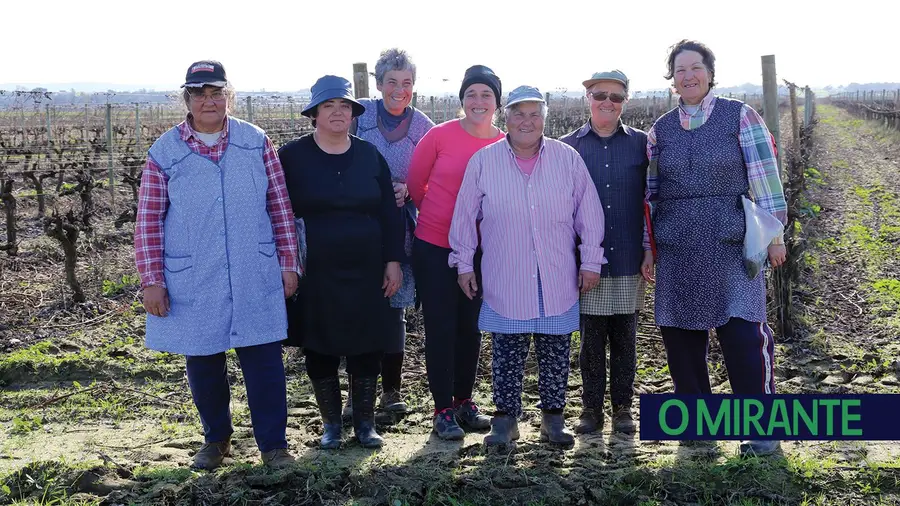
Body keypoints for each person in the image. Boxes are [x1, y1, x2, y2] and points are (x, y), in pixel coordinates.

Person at [135, 60, 298, 470]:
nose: (208, 100)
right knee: (203, 358)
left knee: (262, 357)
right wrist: (152, 279)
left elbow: (280, 208)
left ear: (229, 96)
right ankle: (216, 439)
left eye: (216, 92)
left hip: (253, 268)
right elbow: (148, 221)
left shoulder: (255, 141)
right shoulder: (164, 152)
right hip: (194, 273)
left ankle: (273, 445)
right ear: (186, 99)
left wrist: (288, 263)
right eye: (198, 93)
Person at [646, 40, 788, 456]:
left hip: (731, 241)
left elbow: (764, 178)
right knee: (680, 336)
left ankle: (761, 430)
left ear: (710, 71)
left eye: (696, 67)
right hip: (678, 245)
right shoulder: (661, 130)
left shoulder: (740, 116)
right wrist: (649, 245)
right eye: (680, 70)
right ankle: (696, 425)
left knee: (742, 333)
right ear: (671, 79)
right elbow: (650, 193)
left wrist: (774, 236)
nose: (688, 75)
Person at [449, 86, 606, 446]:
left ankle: (553, 419)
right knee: (506, 351)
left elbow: (589, 214)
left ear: (544, 120)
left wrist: (591, 260)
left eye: (535, 114)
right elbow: (464, 216)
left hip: (557, 274)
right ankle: (505, 420)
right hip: (507, 276)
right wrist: (463, 263)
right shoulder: (484, 161)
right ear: (506, 117)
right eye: (519, 114)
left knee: (555, 351)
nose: (527, 121)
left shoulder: (567, 159)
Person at [278, 75, 404, 450]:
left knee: (368, 344)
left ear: (353, 114)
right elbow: (277, 213)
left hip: (367, 269)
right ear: (314, 113)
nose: (337, 113)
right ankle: (332, 424)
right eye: (329, 106)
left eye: (344, 106)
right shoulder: (292, 157)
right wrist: (286, 264)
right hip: (314, 269)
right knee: (320, 344)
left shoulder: (369, 156)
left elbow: (389, 212)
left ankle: (365, 424)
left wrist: (393, 260)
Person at [407, 65, 506, 440]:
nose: (478, 101)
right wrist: (443, 221)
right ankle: (442, 408)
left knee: (471, 326)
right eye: (471, 94)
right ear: (462, 100)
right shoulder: (439, 137)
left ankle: (465, 402)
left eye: (486, 95)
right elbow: (418, 185)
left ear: (497, 102)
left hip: (483, 251)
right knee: (441, 326)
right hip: (435, 245)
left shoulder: (504, 142)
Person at [559, 70, 652, 435]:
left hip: (628, 255)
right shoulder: (568, 147)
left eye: (616, 97)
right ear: (588, 98)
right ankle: (590, 410)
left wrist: (648, 249)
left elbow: (650, 201)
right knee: (591, 339)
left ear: (625, 101)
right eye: (600, 95)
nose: (607, 103)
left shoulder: (643, 145)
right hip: (587, 260)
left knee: (626, 338)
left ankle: (624, 409)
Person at [346, 48, 435, 418]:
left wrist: (413, 190)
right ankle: (356, 396)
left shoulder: (423, 127)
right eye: (392, 82)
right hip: (358, 227)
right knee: (357, 307)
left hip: (401, 228)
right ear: (379, 83)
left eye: (407, 83)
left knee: (394, 307)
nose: (400, 90)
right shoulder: (359, 116)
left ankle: (391, 393)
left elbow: (437, 178)